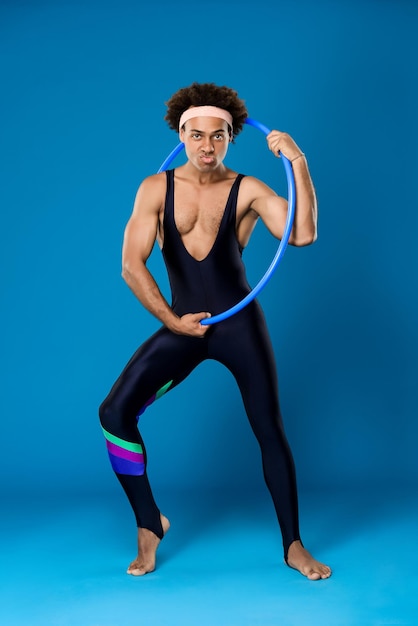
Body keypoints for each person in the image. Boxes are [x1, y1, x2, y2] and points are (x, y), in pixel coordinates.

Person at [99, 82, 331, 581]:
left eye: (219, 136)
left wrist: (298, 163)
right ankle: (149, 524)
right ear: (181, 134)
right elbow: (130, 266)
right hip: (182, 323)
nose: (207, 146)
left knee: (269, 428)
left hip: (238, 323)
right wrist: (171, 322)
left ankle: (293, 544)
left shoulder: (247, 189)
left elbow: (303, 234)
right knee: (114, 413)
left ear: (232, 137)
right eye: (197, 134)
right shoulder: (153, 189)